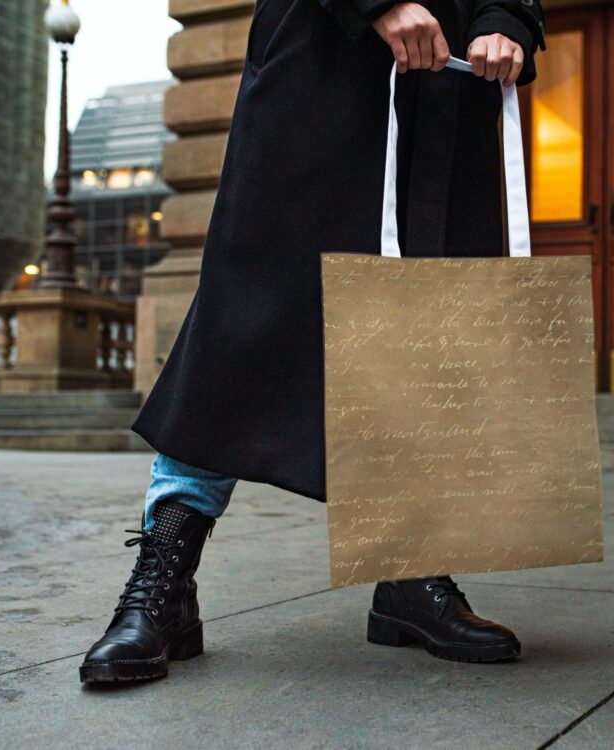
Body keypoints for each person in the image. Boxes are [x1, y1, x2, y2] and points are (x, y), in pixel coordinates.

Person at [78, 0, 546, 683]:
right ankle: (164, 581)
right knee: (246, 315)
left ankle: (411, 576)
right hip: (322, 60)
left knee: (425, 331)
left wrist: (508, 15)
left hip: (447, 84)